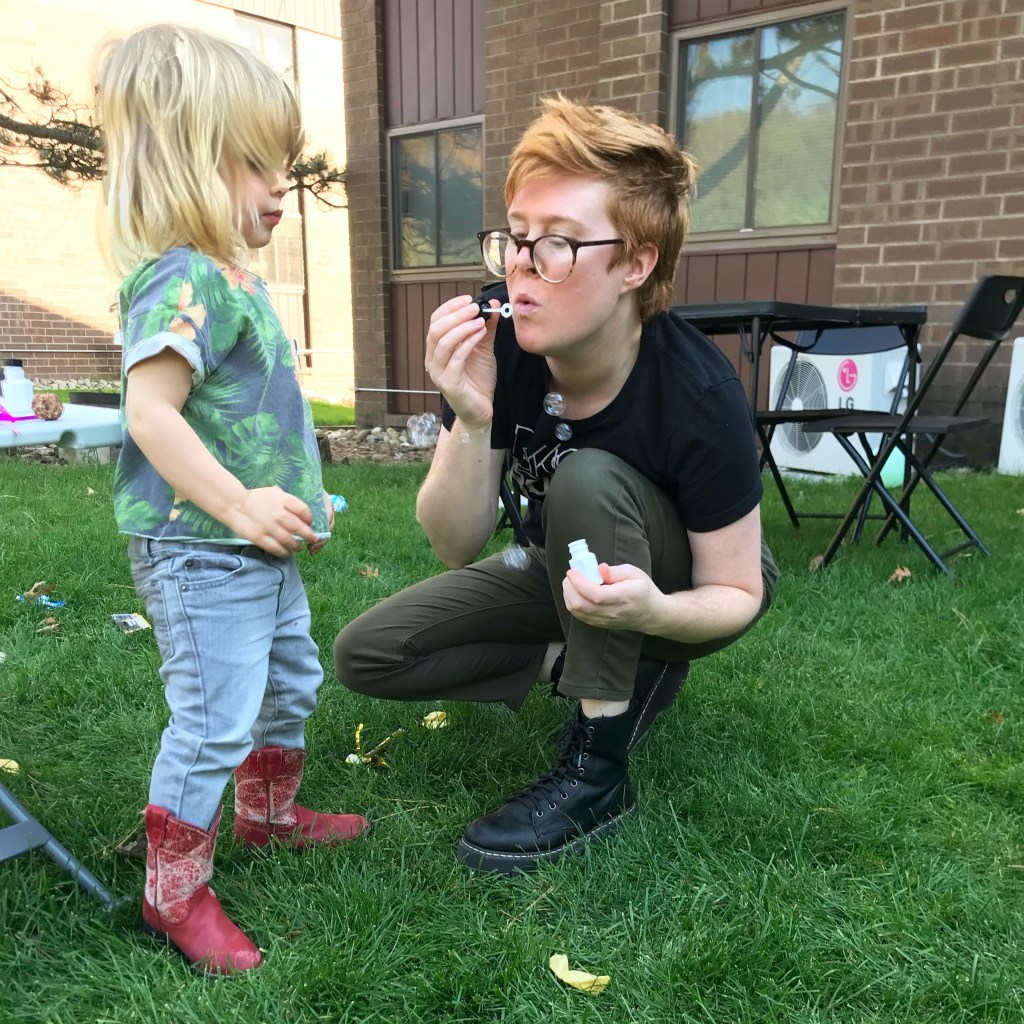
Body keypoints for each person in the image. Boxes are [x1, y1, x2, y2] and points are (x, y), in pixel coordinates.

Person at [334, 95, 777, 875]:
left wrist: (655, 612)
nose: (520, 266)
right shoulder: (501, 339)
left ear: (635, 264)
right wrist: (473, 419)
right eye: (516, 237)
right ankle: (614, 663)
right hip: (563, 568)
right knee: (370, 653)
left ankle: (597, 772)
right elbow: (454, 542)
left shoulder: (696, 391)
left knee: (588, 473)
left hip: (675, 581)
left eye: (559, 245)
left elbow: (739, 592)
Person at [96, 23, 368, 975]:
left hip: (254, 546)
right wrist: (244, 508)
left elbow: (251, 421)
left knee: (290, 682)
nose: (280, 185)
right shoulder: (181, 279)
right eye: (256, 162)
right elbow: (150, 414)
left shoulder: (232, 281)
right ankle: (174, 892)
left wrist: (291, 507)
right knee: (216, 717)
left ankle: (270, 816)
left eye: (282, 162)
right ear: (182, 161)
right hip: (201, 552)